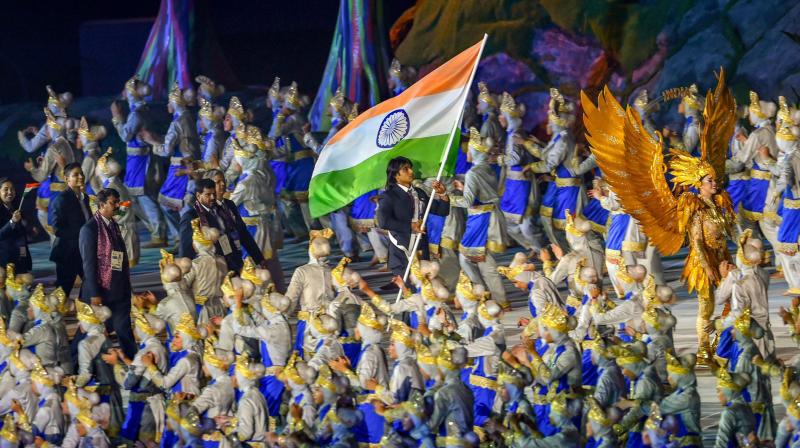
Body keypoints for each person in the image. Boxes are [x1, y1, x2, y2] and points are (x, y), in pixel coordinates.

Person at [78, 188, 136, 359]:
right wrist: (95, 294)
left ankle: (134, 366)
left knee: (124, 330)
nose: (117, 206)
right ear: (101, 205)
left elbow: (120, 258)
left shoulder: (113, 225)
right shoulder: (89, 229)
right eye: (113, 203)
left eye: (117, 202)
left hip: (118, 289)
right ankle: (74, 364)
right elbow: (89, 265)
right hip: (101, 292)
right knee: (93, 335)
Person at [377, 156, 449, 290]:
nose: (411, 172)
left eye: (411, 168)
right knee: (408, 293)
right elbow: (383, 221)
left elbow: (441, 211)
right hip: (402, 250)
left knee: (424, 290)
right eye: (406, 169)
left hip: (421, 248)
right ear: (396, 175)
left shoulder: (419, 193)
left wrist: (443, 194)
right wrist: (410, 226)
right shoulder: (388, 196)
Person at [179, 176, 269, 278]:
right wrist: (186, 271)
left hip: (233, 261)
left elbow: (243, 233)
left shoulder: (225, 208)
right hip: (210, 267)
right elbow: (185, 247)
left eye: (214, 194)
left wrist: (258, 258)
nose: (212, 197)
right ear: (198, 196)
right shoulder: (191, 217)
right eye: (208, 195)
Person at [49, 162, 91, 296]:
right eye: (75, 175)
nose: (80, 177)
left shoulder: (85, 198)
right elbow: (57, 229)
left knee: (92, 282)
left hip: (82, 251)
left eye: (81, 174)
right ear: (67, 179)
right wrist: (81, 235)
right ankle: (50, 315)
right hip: (67, 252)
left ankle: (86, 309)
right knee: (63, 291)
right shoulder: (61, 199)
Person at [0, 179, 31, 273]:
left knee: (27, 279)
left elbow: (22, 235)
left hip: (20, 252)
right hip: (3, 257)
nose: (9, 192)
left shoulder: (17, 206)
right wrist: (12, 222)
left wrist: (29, 229)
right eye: (6, 189)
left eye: (12, 189)